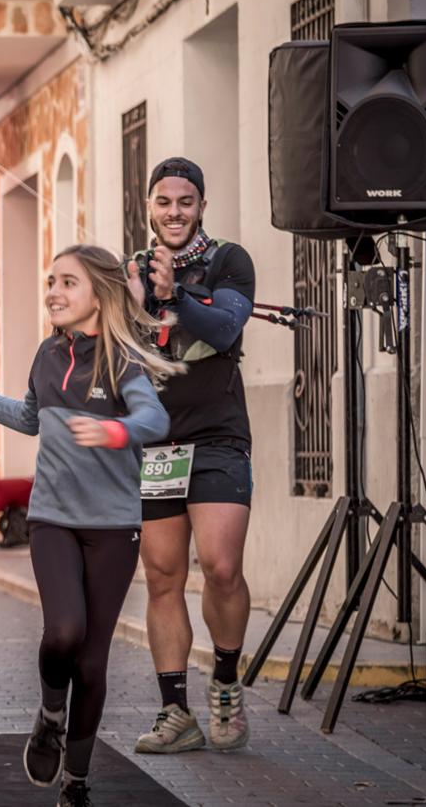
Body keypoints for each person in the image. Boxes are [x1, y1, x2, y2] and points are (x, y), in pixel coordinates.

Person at [0, 245, 180, 807]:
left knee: (93, 660)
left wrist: (117, 432)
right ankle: (51, 712)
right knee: (63, 633)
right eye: (50, 281)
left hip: (114, 526)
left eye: (67, 283)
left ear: (98, 293)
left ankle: (76, 780)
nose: (52, 291)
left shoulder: (123, 358)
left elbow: (154, 417)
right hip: (51, 518)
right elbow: (29, 417)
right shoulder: (49, 354)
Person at [127, 157, 257, 754]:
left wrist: (173, 291)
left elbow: (226, 329)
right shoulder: (130, 268)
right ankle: (175, 712)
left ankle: (226, 680)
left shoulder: (228, 260)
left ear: (201, 206)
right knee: (161, 577)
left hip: (219, 436)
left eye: (185, 201)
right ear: (148, 207)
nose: (174, 211)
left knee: (222, 568)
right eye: (163, 201)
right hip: (157, 445)